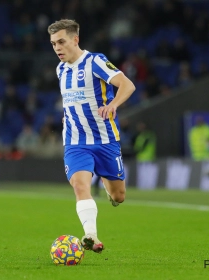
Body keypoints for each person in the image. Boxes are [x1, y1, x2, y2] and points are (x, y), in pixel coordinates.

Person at [48, 19, 136, 254]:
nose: (57, 47)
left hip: (105, 140)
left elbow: (127, 85)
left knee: (119, 196)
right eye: (53, 43)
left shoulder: (95, 61)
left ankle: (109, 189)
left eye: (61, 42)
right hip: (76, 142)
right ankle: (91, 235)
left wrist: (114, 104)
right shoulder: (61, 69)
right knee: (79, 185)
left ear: (75, 40)